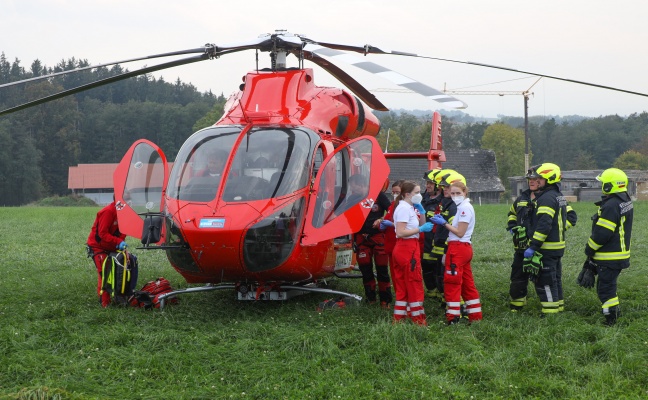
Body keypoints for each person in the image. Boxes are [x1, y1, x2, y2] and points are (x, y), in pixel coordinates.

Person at [510, 163, 574, 315]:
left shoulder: (546, 199)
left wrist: (533, 246)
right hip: (546, 247)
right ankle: (557, 308)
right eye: (531, 178)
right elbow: (513, 214)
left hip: (545, 248)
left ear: (548, 179)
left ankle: (550, 314)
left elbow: (544, 225)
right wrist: (513, 228)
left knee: (545, 282)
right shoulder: (554, 196)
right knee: (554, 280)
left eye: (537, 178)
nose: (532, 181)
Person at [579, 168, 633, 326]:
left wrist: (589, 250)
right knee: (609, 285)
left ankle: (611, 319)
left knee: (605, 289)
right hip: (618, 255)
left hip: (610, 256)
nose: (601, 185)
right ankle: (614, 311)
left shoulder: (611, 206)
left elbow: (602, 234)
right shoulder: (624, 201)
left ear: (610, 185)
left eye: (603, 183)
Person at [430, 178, 482, 324]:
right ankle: (475, 316)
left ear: (465, 192)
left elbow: (460, 232)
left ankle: (452, 318)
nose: (454, 196)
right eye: (452, 193)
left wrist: (444, 223)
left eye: (457, 193)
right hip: (462, 248)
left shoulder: (464, 208)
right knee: (467, 283)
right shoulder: (463, 206)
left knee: (452, 283)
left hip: (458, 248)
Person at [391, 181, 434, 326]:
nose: (419, 195)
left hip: (406, 247)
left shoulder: (408, 207)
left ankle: (399, 320)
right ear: (407, 194)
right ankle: (418, 320)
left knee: (402, 285)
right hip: (407, 248)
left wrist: (421, 212)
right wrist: (420, 230)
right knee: (414, 284)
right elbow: (400, 232)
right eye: (416, 192)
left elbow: (420, 224)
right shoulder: (404, 209)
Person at [87, 197, 138, 307]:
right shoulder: (108, 212)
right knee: (105, 273)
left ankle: (122, 296)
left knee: (127, 267)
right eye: (127, 199)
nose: (130, 202)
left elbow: (123, 230)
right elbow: (102, 234)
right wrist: (118, 241)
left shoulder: (124, 212)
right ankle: (105, 303)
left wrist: (120, 244)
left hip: (113, 247)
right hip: (98, 247)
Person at [352, 177, 393, 308]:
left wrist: (381, 219)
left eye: (356, 186)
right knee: (365, 269)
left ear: (363, 185)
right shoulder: (352, 198)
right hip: (361, 238)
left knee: (382, 269)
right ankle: (370, 299)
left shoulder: (378, 195)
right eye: (352, 186)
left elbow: (391, 211)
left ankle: (385, 300)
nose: (354, 189)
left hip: (378, 237)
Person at [420, 169, 443, 298]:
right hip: (424, 240)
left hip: (437, 240)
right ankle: (431, 290)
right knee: (426, 265)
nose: (427, 186)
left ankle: (440, 291)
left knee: (437, 267)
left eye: (430, 183)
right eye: (427, 183)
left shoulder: (443, 202)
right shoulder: (422, 199)